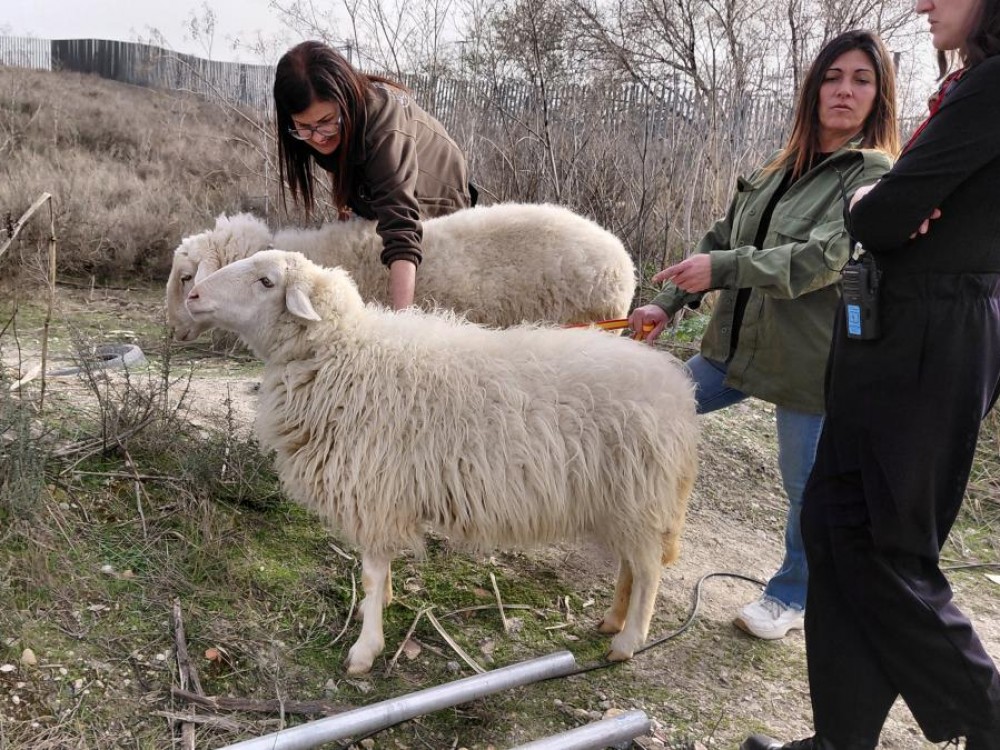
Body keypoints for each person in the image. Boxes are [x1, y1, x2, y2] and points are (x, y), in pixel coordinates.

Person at [741, 2, 1000, 750]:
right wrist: (884, 207)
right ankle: (839, 740)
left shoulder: (993, 86)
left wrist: (865, 201)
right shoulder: (972, 82)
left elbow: (885, 218)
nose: (922, 4)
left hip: (930, 337)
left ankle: (989, 716)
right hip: (896, 331)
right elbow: (898, 213)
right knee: (833, 528)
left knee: (883, 546)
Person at [628, 31, 898, 640]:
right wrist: (668, 302)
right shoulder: (779, 164)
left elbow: (822, 260)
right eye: (833, 77)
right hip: (733, 351)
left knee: (807, 488)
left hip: (808, 365)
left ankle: (791, 597)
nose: (844, 91)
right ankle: (630, 533)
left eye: (861, 80)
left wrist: (723, 269)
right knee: (645, 407)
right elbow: (723, 237)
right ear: (814, 88)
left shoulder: (873, 175)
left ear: (879, 96)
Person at [273, 40, 476, 311]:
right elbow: (349, 169)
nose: (318, 137)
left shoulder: (385, 126)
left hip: (436, 197)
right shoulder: (315, 129)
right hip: (381, 197)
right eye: (304, 126)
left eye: (325, 122)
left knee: (425, 293)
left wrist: (401, 322)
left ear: (345, 100)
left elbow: (401, 228)